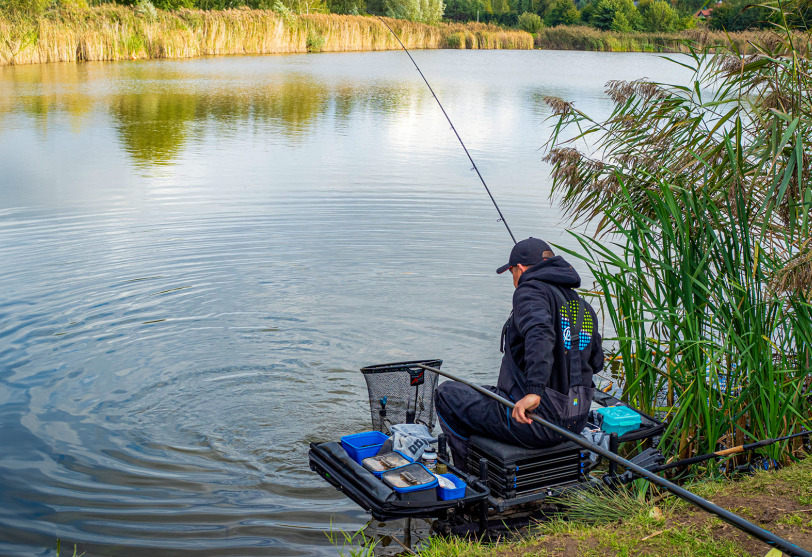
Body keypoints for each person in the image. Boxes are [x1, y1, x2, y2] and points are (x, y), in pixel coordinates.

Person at [434, 237, 604, 467]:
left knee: (447, 395)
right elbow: (596, 361)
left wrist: (534, 392)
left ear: (520, 269)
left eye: (512, 273)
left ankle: (467, 474)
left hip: (537, 423)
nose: (514, 280)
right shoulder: (582, 306)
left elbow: (540, 333)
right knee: (481, 392)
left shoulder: (530, 291)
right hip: (576, 420)